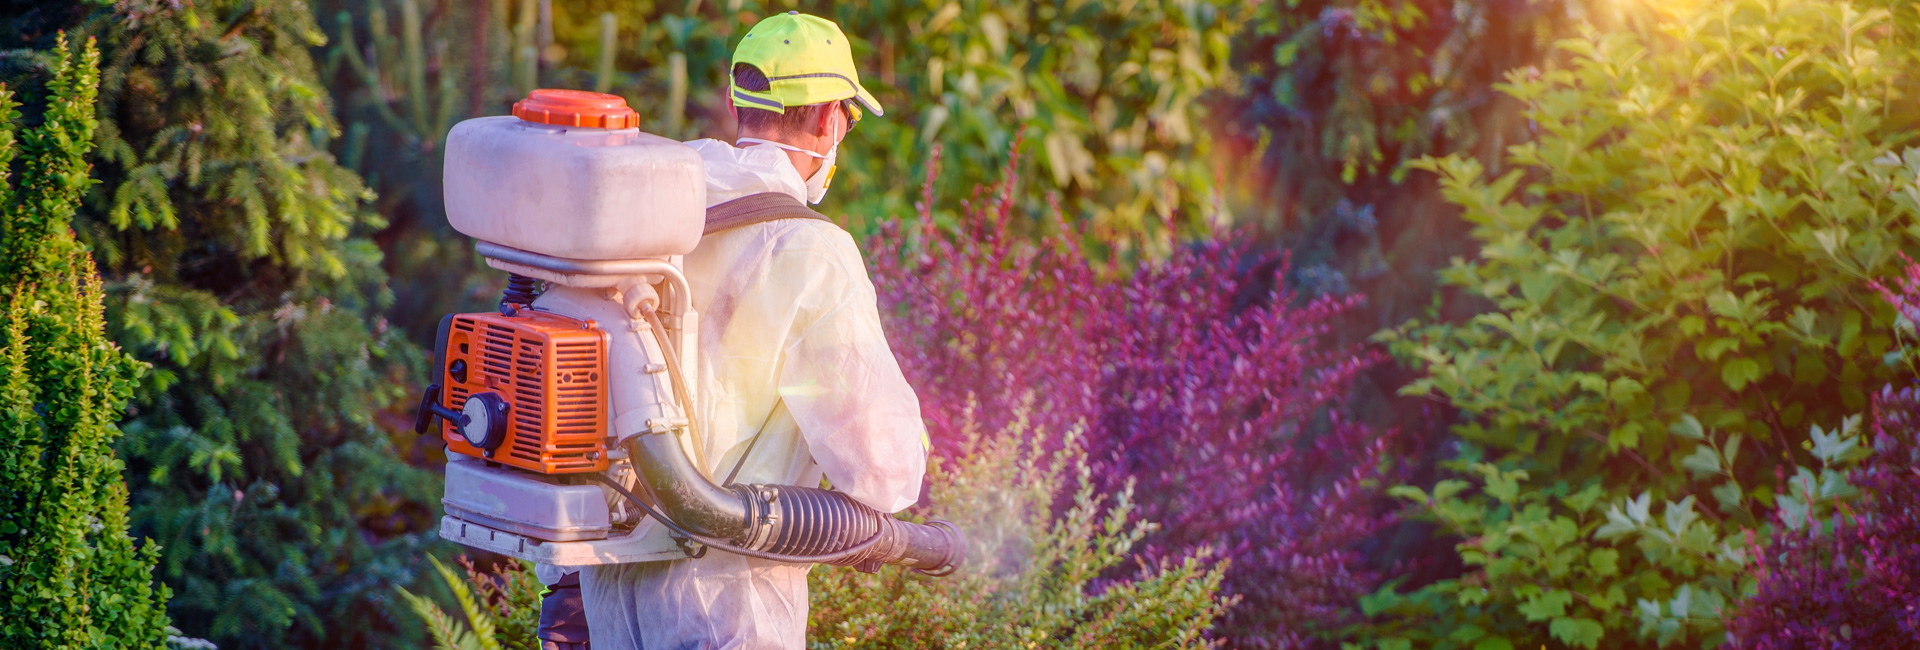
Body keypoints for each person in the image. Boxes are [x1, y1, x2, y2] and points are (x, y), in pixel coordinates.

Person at [573, 11, 929, 649]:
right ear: (827, 119)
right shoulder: (811, 250)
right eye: (846, 119)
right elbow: (881, 470)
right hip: (726, 597)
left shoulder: (651, 203)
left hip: (608, 582)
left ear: (742, 104)